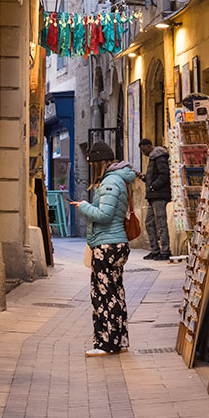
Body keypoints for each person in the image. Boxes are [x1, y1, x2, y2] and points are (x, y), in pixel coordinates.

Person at [71, 139, 136, 357]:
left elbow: (105, 215)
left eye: (92, 165)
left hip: (107, 245)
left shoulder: (111, 181)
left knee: (103, 295)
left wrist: (84, 206)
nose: (91, 169)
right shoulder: (119, 179)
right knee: (115, 293)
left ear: (99, 163)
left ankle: (106, 343)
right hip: (115, 244)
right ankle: (120, 340)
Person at [138, 138, 172, 261]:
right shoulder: (153, 158)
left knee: (160, 223)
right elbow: (155, 176)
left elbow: (164, 175)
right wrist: (145, 178)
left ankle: (165, 250)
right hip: (153, 196)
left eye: (143, 150)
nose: (143, 153)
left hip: (159, 196)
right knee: (149, 223)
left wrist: (153, 186)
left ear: (148, 146)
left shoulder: (159, 157)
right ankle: (155, 250)